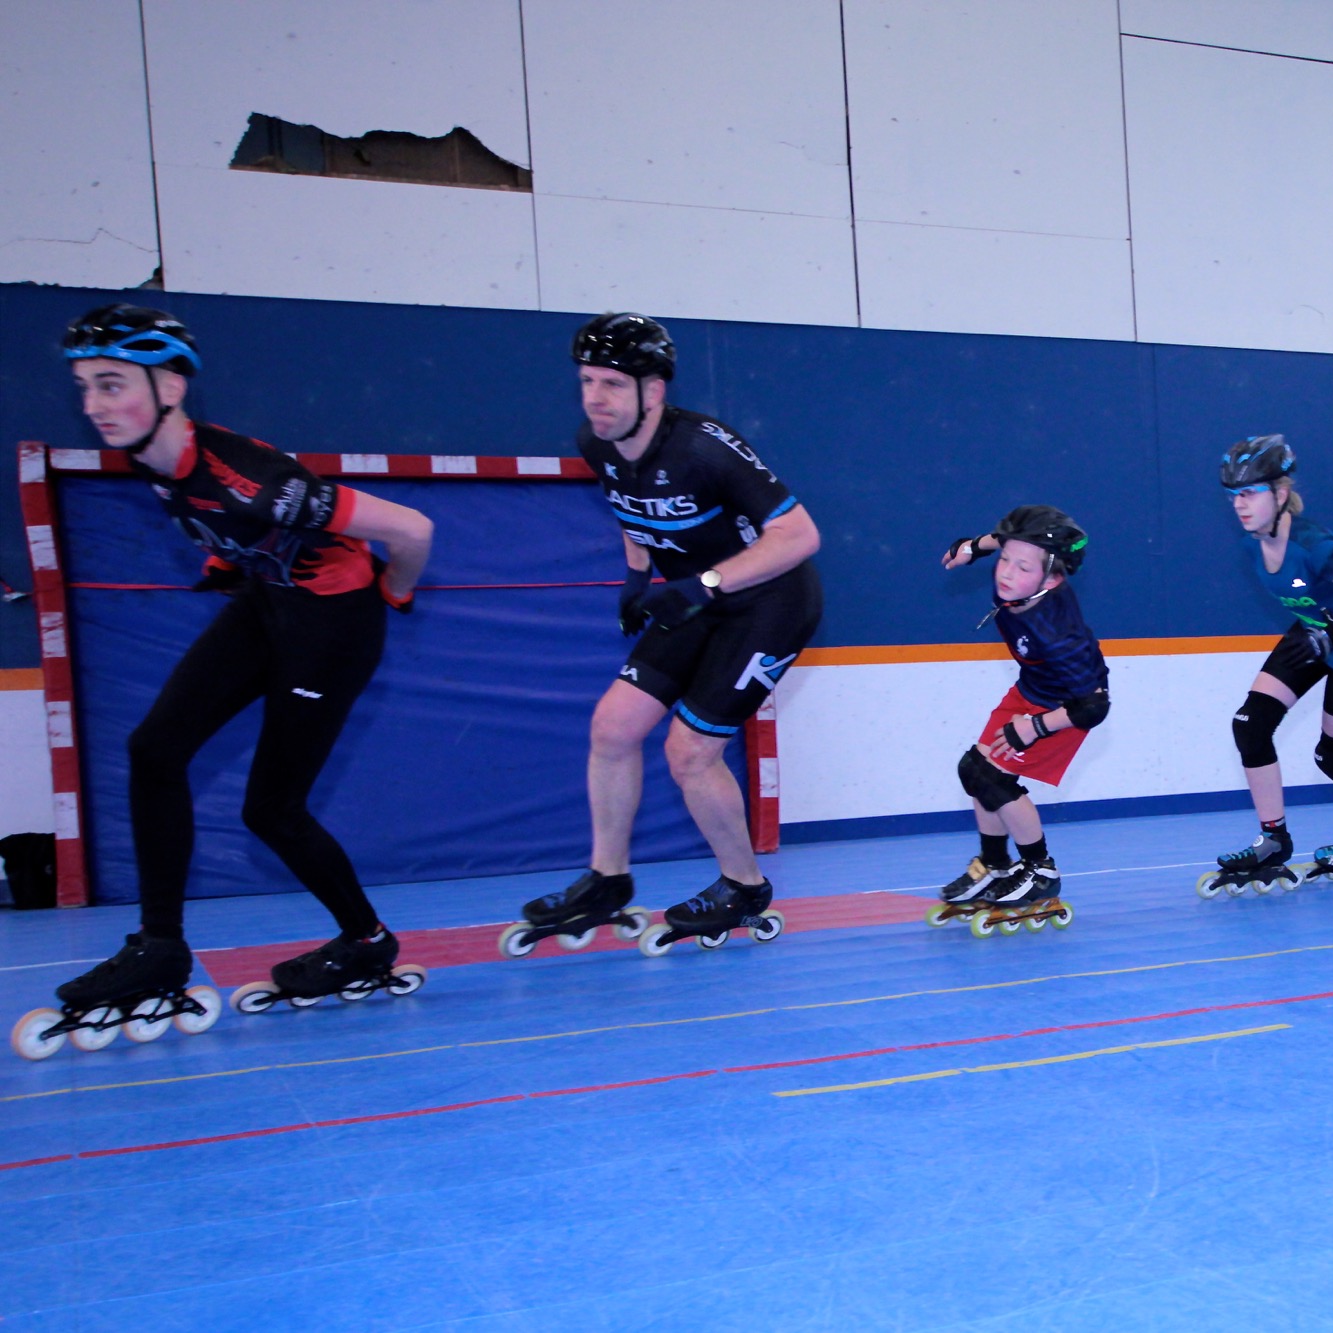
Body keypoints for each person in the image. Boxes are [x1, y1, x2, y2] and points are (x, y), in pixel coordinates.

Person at [50, 304, 434, 1034]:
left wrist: (398, 589)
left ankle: (366, 939)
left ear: (169, 386)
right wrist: (232, 562)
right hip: (269, 604)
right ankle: (160, 947)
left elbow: (412, 528)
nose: (94, 406)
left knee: (270, 809)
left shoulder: (250, 480)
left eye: (110, 384)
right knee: (153, 748)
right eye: (83, 387)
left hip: (332, 629)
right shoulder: (155, 457)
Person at [513, 313, 821, 955]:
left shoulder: (705, 447)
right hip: (695, 599)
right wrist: (635, 577)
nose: (595, 399)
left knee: (689, 751)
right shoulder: (596, 443)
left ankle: (743, 885)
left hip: (769, 603)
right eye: (586, 381)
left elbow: (800, 536)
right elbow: (632, 510)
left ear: (652, 392)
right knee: (613, 727)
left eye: (612, 385)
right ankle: (608, 879)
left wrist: (705, 583)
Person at [1200, 435, 1333, 899]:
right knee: (1250, 725)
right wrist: (1322, 633)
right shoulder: (1253, 546)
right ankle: (1274, 840)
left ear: (1278, 492)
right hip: (1312, 632)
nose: (1239, 505)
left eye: (1249, 493)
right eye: (1233, 496)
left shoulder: (1313, 543)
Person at [932, 506, 1109, 934]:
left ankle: (1039, 869)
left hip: (1064, 709)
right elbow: (1007, 539)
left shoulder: (1056, 630)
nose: (1006, 572)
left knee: (995, 780)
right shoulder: (1025, 577)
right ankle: (994, 866)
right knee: (973, 771)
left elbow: (1094, 707)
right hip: (1031, 689)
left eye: (1021, 566)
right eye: (1005, 560)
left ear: (1051, 578)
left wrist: (1034, 728)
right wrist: (973, 548)